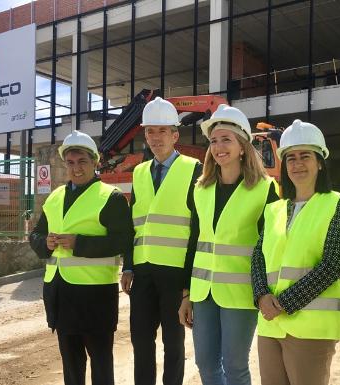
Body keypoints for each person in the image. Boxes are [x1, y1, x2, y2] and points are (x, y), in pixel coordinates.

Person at [251, 119, 340, 385]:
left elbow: (333, 264)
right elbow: (258, 256)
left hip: (311, 327)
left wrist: (283, 303)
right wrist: (261, 295)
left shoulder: (337, 205)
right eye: (291, 158)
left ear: (320, 162)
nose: (297, 164)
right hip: (270, 324)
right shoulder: (274, 209)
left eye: (305, 156)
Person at [178, 104, 278, 385]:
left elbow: (268, 247)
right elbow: (194, 243)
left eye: (226, 139)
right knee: (206, 364)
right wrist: (186, 294)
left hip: (241, 293)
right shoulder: (200, 188)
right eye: (213, 141)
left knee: (235, 366)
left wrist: (264, 291)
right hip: (203, 292)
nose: (219, 147)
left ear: (243, 145)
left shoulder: (264, 189)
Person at [29, 130, 133, 385]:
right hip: (61, 295)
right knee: (71, 369)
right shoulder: (54, 198)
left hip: (95, 297)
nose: (76, 168)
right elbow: (35, 235)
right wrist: (47, 243)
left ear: (95, 162)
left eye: (82, 162)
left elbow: (123, 240)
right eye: (71, 162)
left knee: (101, 367)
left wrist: (80, 243)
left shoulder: (111, 197)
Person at [120, 96, 202, 385]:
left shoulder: (195, 170)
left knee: (173, 344)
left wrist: (188, 283)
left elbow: (198, 230)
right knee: (141, 341)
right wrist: (128, 265)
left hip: (175, 272)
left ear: (175, 135)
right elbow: (132, 226)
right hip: (142, 272)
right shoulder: (140, 172)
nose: (155, 138)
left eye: (162, 131)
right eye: (150, 131)